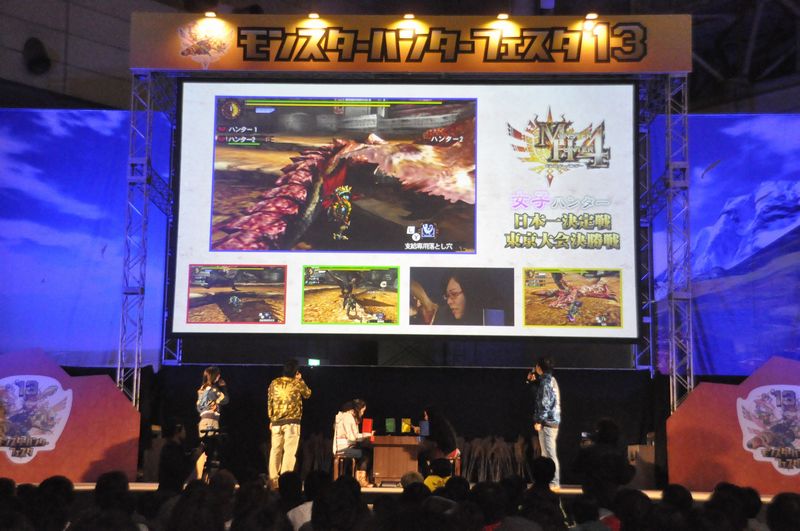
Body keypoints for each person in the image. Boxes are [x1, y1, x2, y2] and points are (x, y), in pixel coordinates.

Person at [267, 359, 312, 487]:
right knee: (289, 452)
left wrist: (271, 419)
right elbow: (307, 394)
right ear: (296, 371)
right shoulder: (296, 382)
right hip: (292, 422)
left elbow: (270, 401)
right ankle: (285, 482)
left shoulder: (274, 383)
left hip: (276, 422)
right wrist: (300, 380)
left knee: (275, 450)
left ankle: (273, 481)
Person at [527, 355, 561, 488]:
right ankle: (548, 482)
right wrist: (532, 382)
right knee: (546, 454)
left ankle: (554, 482)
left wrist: (539, 421)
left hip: (547, 422)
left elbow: (545, 403)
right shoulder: (549, 380)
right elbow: (539, 397)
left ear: (539, 368)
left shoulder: (546, 383)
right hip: (550, 422)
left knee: (549, 454)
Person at [333, 398, 374, 487]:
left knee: (367, 451)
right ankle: (361, 480)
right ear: (358, 409)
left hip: (348, 446)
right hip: (344, 448)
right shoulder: (347, 417)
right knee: (365, 454)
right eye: (362, 411)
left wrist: (366, 435)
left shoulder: (350, 417)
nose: (362, 413)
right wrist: (366, 436)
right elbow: (351, 437)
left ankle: (365, 478)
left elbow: (354, 436)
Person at [196, 366, 228, 480]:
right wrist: (223, 387)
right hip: (211, 421)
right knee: (211, 450)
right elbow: (225, 399)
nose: (219, 377)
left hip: (203, 420)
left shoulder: (202, 389)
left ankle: (201, 476)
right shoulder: (213, 389)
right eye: (218, 375)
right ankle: (207, 477)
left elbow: (198, 407)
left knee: (205, 448)